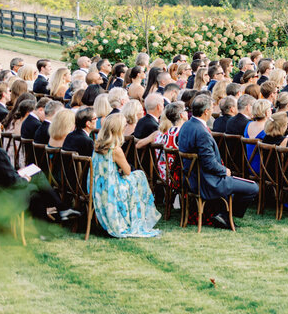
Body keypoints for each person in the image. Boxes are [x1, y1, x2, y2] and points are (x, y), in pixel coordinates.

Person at [0, 115, 79, 224]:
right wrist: (25, 179)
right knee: (35, 187)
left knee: (35, 177)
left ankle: (57, 213)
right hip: (3, 197)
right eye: (0, 127)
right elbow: (12, 182)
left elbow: (2, 175)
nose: (1, 129)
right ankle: (59, 210)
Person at [176, 95, 259, 228]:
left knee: (243, 184)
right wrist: (224, 170)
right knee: (253, 187)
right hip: (207, 181)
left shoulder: (186, 125)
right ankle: (225, 215)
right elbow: (209, 164)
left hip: (191, 178)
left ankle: (223, 212)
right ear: (206, 111)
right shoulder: (201, 131)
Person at [90, 113, 161, 238]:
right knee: (139, 176)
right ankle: (141, 217)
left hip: (98, 187)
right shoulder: (115, 149)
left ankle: (140, 216)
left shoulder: (97, 145)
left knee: (137, 176)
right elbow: (127, 171)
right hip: (112, 190)